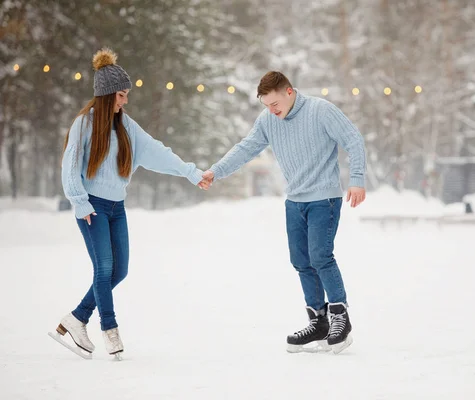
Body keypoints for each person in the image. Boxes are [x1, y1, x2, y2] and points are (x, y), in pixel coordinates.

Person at [200, 71, 366, 354]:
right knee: (301, 261)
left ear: (289, 92)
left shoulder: (320, 111)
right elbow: (245, 149)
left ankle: (341, 317)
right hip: (295, 201)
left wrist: (358, 179)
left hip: (324, 198)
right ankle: (318, 322)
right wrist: (216, 171)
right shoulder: (268, 121)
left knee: (320, 256)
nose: (271, 110)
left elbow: (353, 139)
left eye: (275, 104)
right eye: (266, 105)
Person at [55, 48, 204, 358]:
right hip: (92, 206)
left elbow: (157, 151)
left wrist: (191, 173)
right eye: (121, 95)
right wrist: (80, 203)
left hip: (116, 208)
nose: (125, 101)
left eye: (126, 95)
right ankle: (110, 331)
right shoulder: (85, 124)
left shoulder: (126, 127)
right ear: (107, 94)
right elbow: (70, 166)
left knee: (119, 270)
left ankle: (77, 318)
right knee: (103, 268)